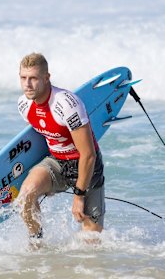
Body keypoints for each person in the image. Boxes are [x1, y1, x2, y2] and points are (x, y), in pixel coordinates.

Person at [16, 52, 105, 243]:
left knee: (91, 241)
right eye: (23, 78)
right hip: (56, 161)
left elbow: (88, 155)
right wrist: (44, 182)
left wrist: (79, 196)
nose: (27, 84)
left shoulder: (66, 104)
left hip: (86, 166)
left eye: (33, 78)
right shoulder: (24, 105)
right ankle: (37, 244)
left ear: (47, 78)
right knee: (25, 197)